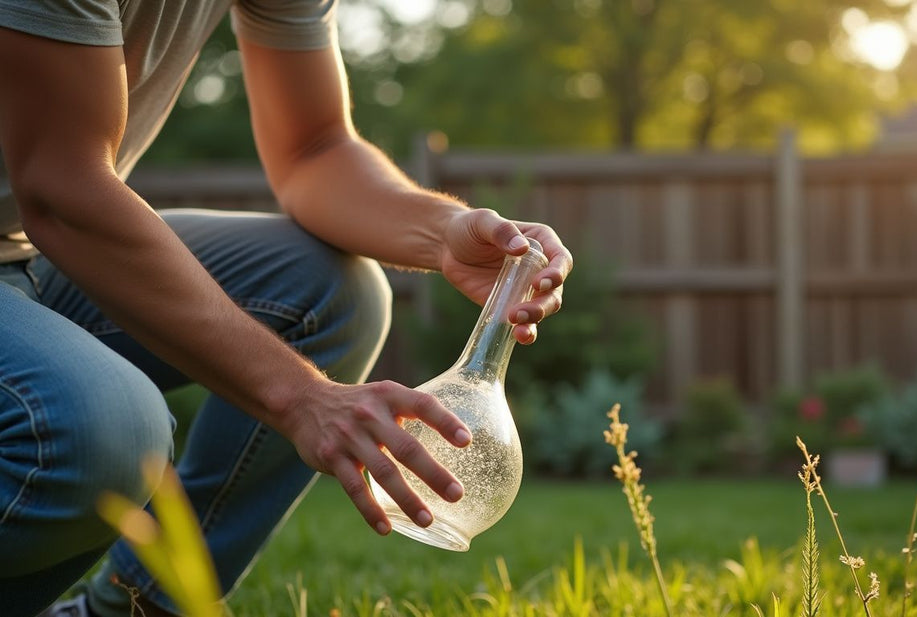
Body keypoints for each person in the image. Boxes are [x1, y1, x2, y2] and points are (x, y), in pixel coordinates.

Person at [0, 1, 572, 616]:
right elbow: (61, 186)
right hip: (48, 220)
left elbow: (314, 148)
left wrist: (446, 231)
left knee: (332, 291)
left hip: (24, 251)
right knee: (104, 429)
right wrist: (302, 398)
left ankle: (135, 608)